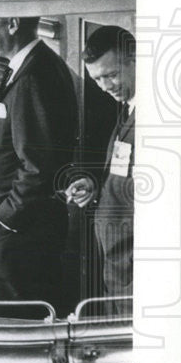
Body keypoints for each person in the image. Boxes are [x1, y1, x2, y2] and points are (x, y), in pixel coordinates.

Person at [0, 16, 78, 312]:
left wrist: (6, 219)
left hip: (20, 235)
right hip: (22, 231)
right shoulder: (33, 66)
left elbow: (38, 165)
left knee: (16, 325)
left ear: (12, 24)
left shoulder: (33, 76)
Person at [64, 26, 136, 298]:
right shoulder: (127, 108)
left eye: (112, 75)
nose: (105, 87)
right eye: (97, 79)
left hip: (132, 272)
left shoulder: (153, 119)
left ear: (135, 59)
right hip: (116, 268)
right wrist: (96, 186)